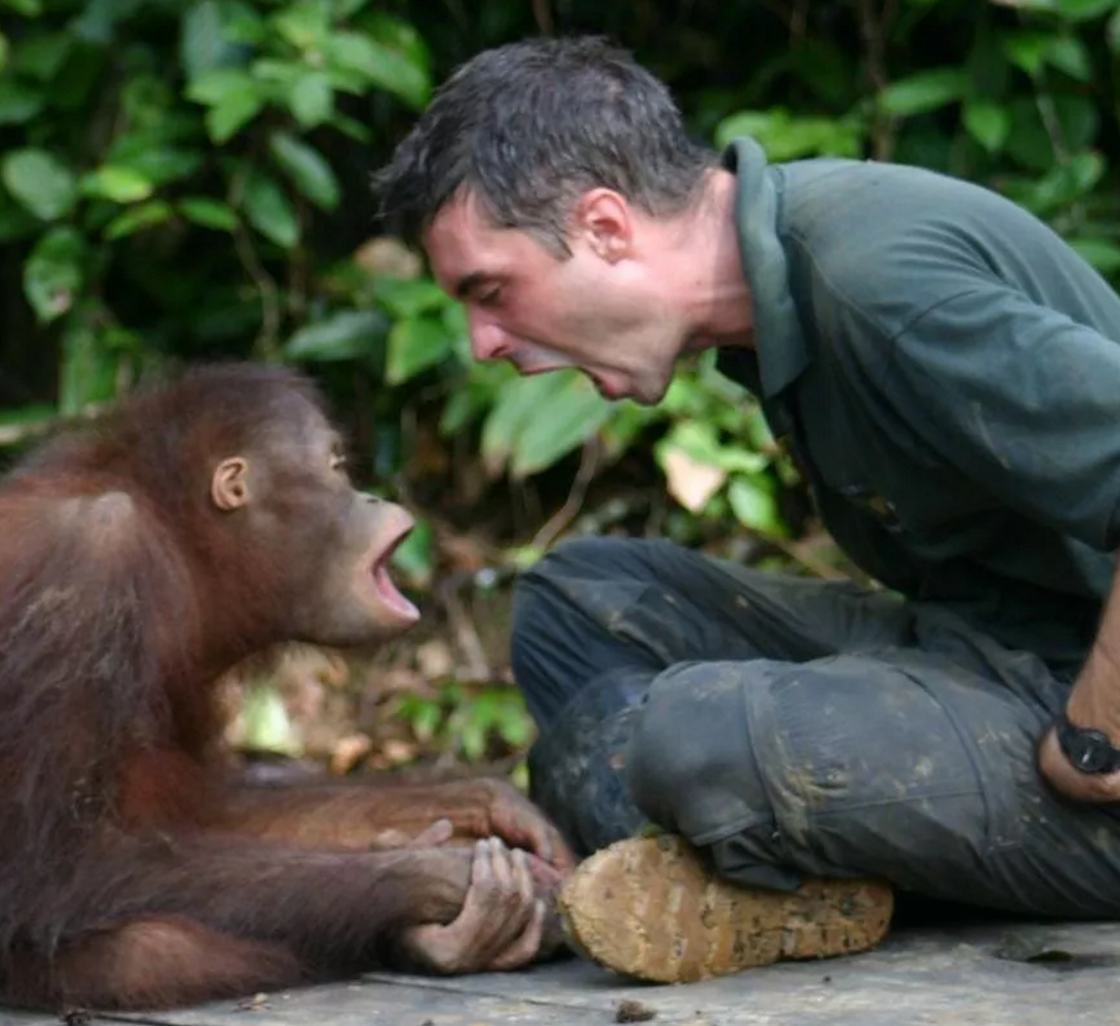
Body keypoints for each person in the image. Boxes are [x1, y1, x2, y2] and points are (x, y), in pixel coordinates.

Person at [374, 35, 1120, 984]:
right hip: (988, 645)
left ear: (604, 226)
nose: (483, 343)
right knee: (578, 598)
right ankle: (752, 864)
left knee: (692, 736)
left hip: (1090, 734)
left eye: (492, 291)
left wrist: (1096, 737)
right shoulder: (783, 280)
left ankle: (733, 854)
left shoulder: (877, 283)